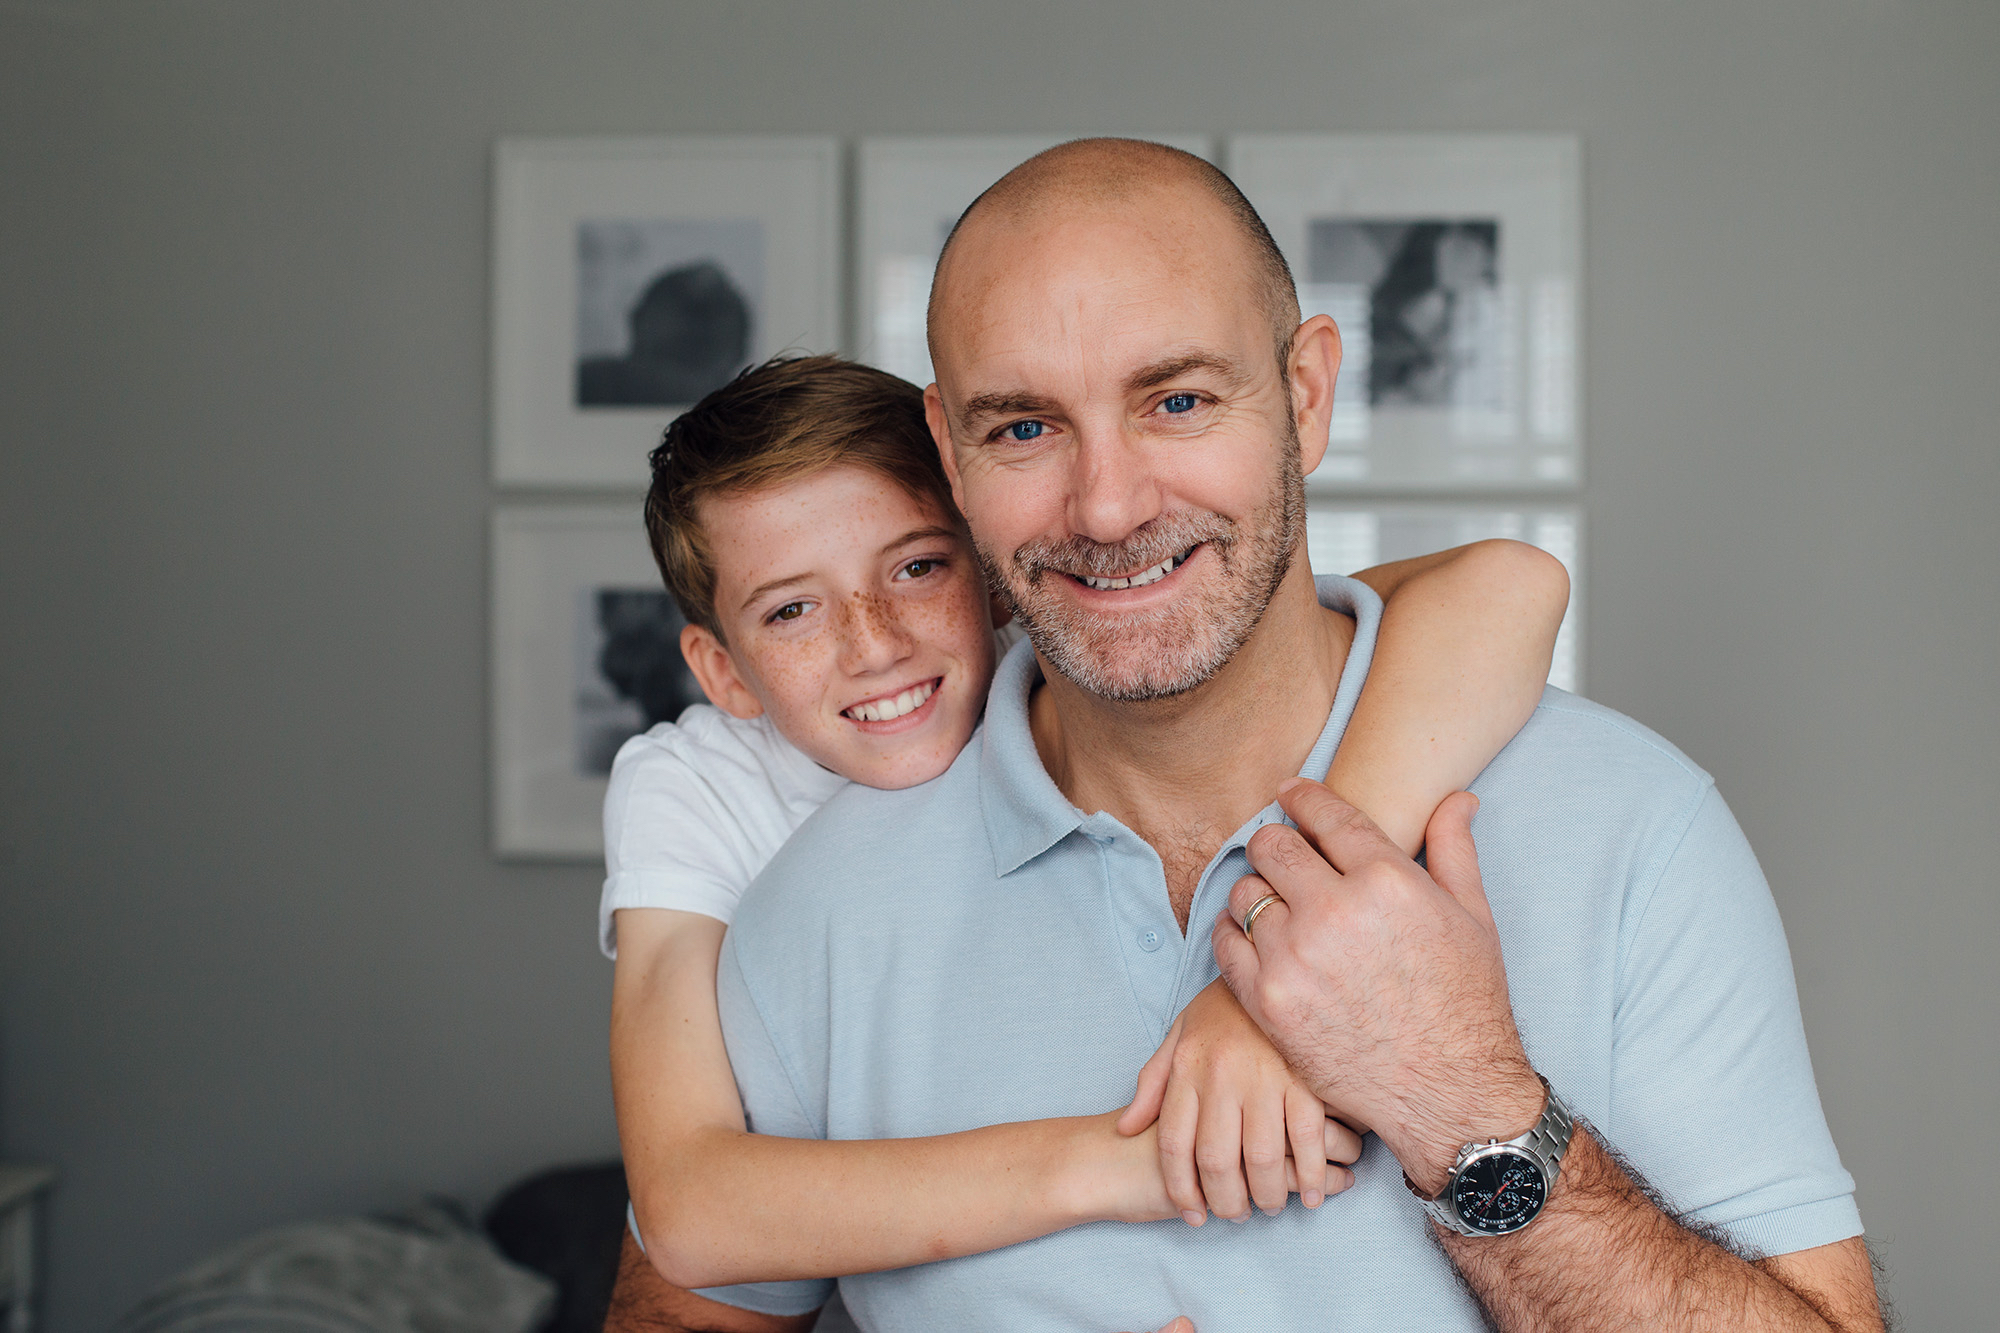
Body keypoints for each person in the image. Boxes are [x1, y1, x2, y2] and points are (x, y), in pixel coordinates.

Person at [658, 140, 1882, 1332]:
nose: (1108, 505)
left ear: (1303, 395)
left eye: (1177, 400)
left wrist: (1460, 1099)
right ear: (948, 451)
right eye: (1024, 428)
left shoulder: (1627, 825)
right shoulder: (809, 908)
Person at [600, 352, 1570, 1326]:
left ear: (991, 575)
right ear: (721, 673)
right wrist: (1131, 1163)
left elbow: (1509, 581)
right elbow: (687, 1207)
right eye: (792, 609)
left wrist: (1296, 932)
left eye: (916, 566)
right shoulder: (695, 786)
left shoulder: (1075, 655)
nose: (875, 641)